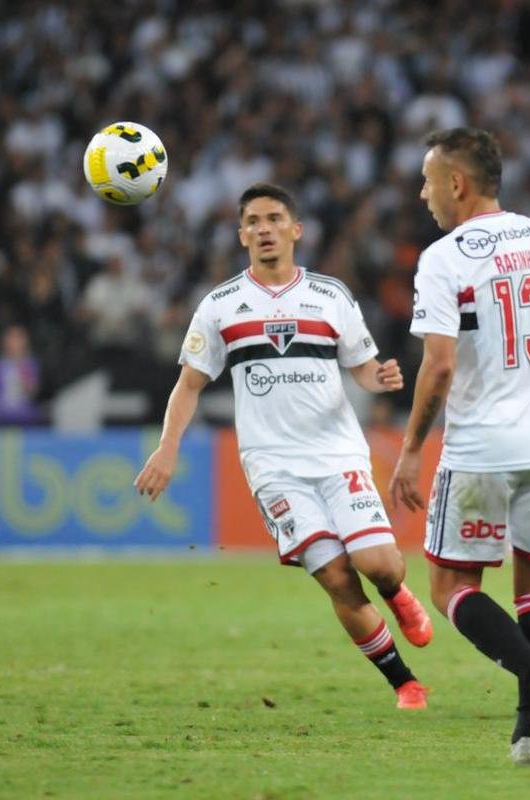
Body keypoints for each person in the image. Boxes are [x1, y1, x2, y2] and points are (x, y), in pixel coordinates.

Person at [134, 183, 432, 709]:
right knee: (338, 578)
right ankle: (405, 683)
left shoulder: (330, 295)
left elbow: (359, 364)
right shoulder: (221, 306)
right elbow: (189, 384)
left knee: (380, 564)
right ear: (242, 234)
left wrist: (377, 377)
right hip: (273, 467)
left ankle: (396, 594)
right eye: (253, 220)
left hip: (338, 453)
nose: (264, 228)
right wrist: (167, 447)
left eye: (274, 218)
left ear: (296, 230)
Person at [389, 127, 530, 766]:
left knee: (449, 584)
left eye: (427, 181)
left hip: (482, 445)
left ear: (456, 183)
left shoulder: (445, 258)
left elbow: (439, 366)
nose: (423, 195)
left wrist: (413, 448)